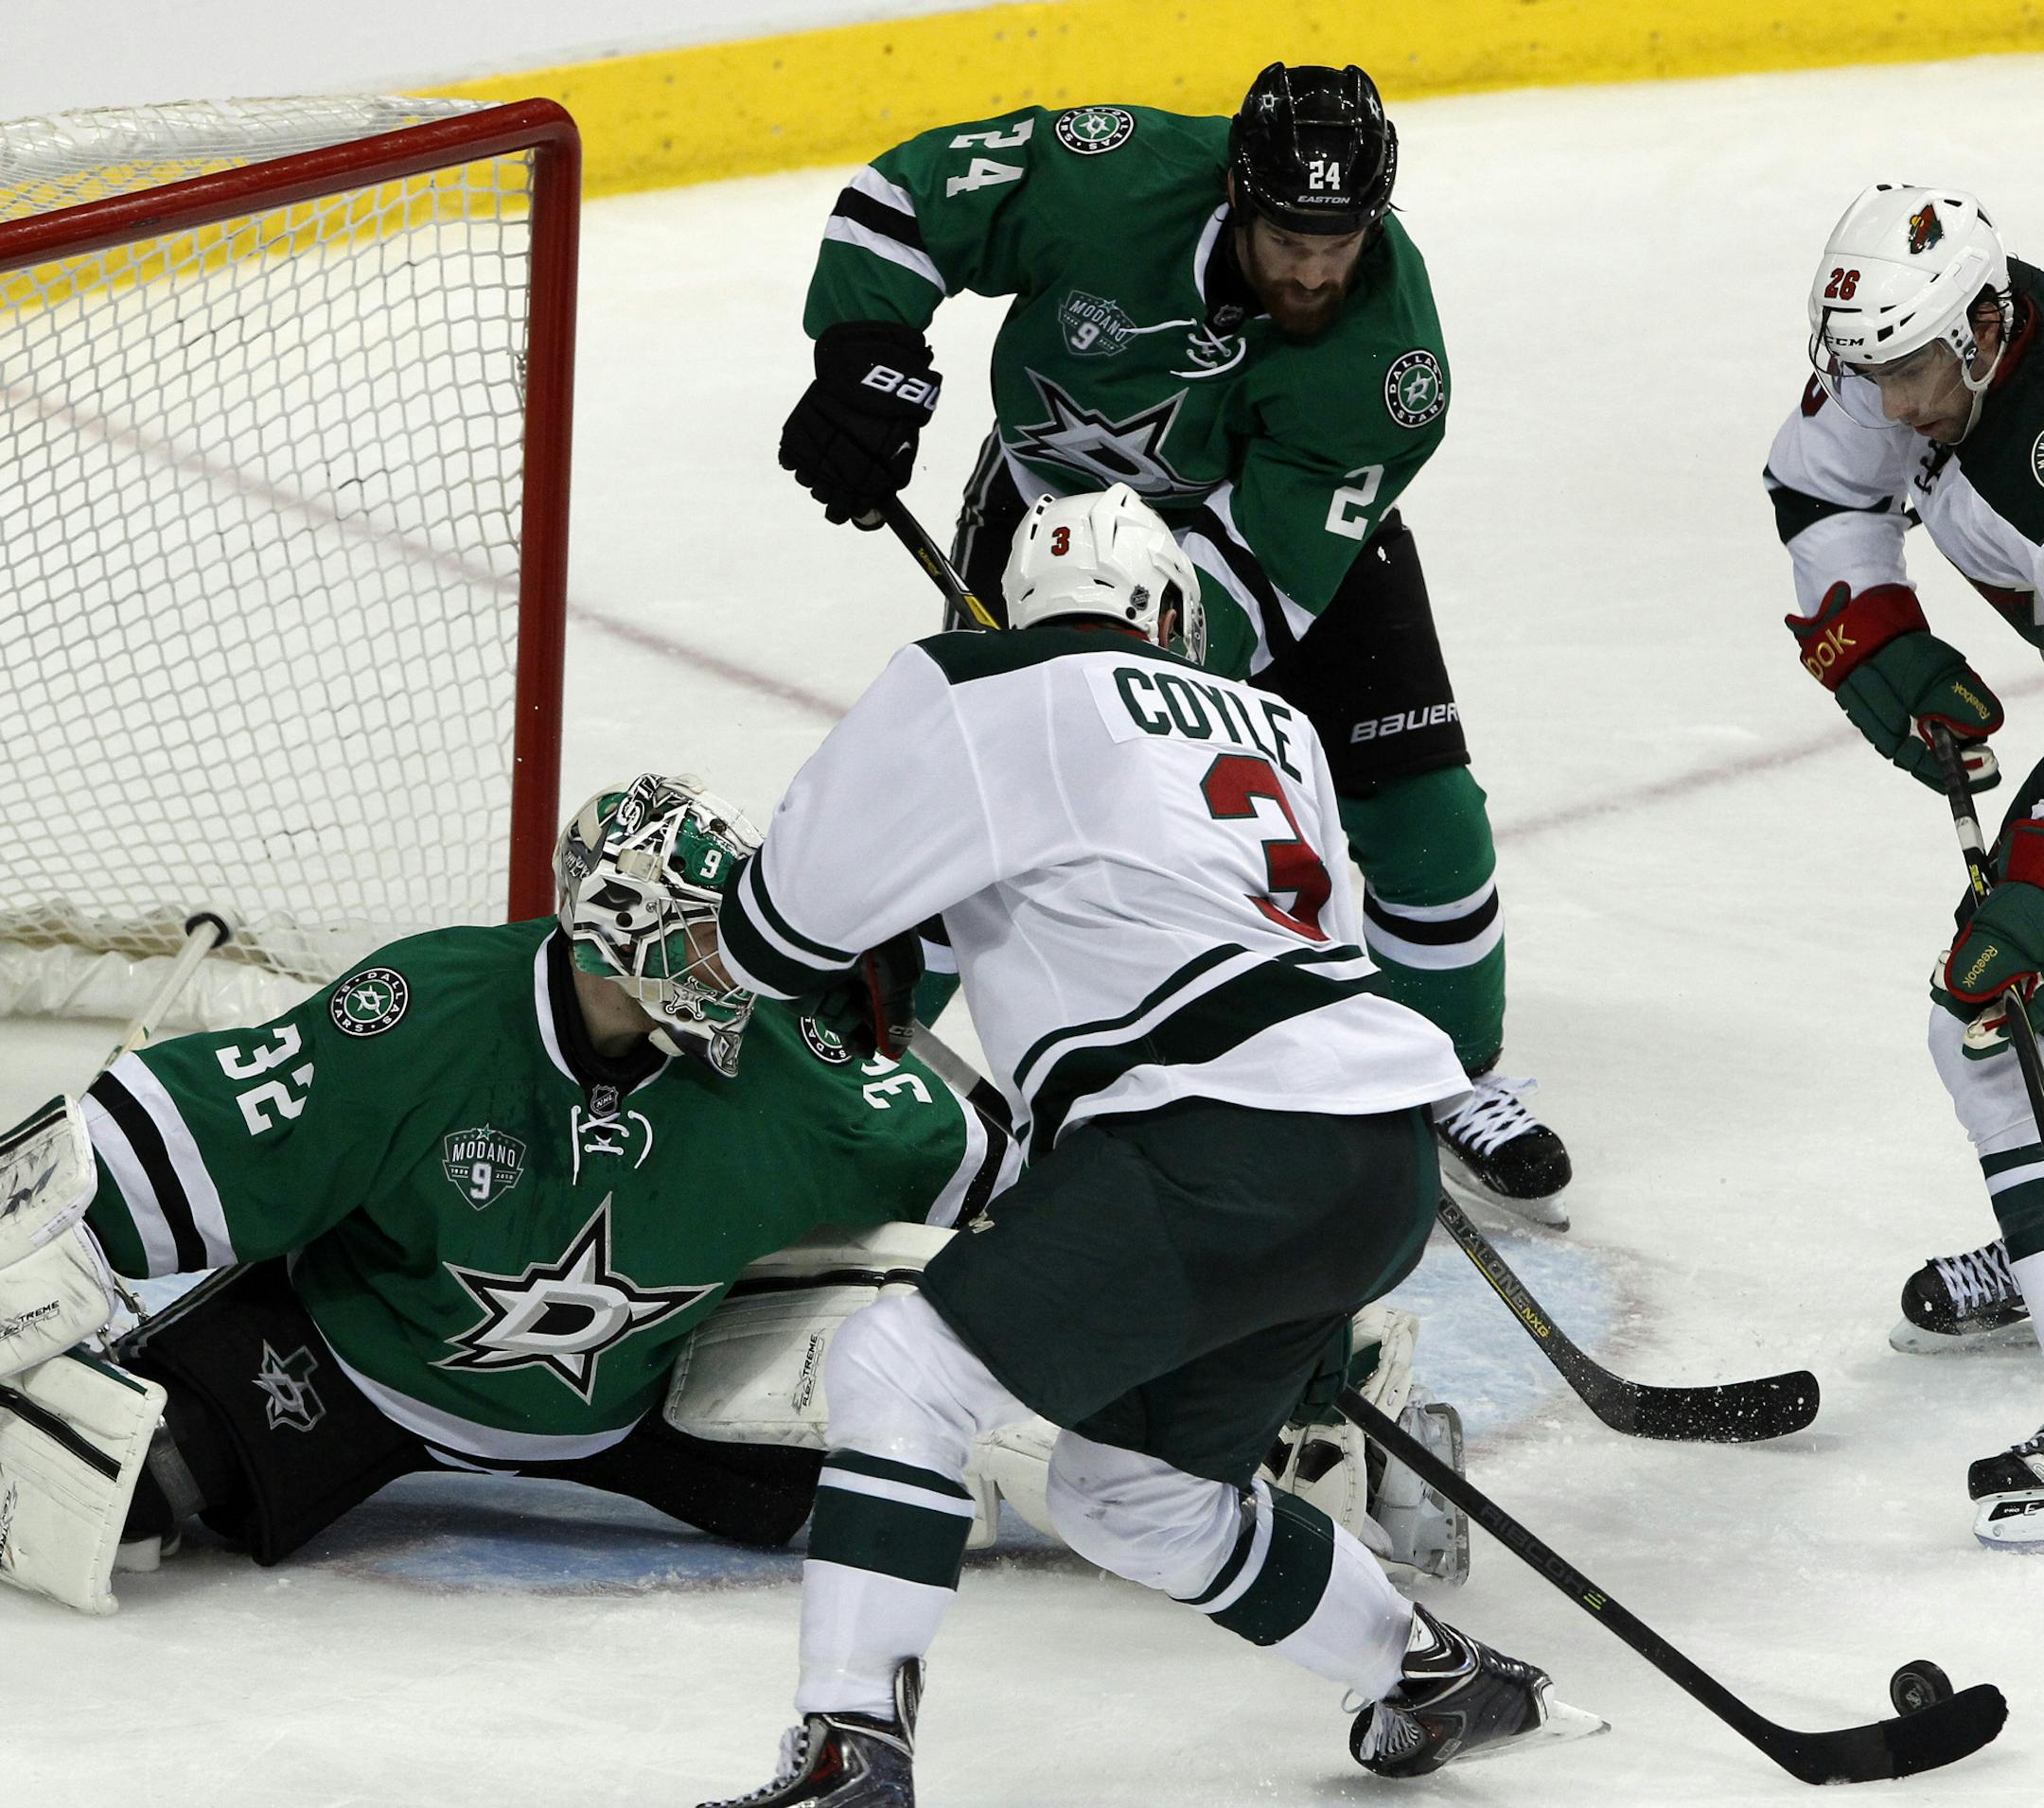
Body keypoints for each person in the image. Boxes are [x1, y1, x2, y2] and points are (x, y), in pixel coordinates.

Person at [698, 484, 1597, 1803]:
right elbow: (1140, 896)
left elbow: (776, 935)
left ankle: (849, 1749)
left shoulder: (975, 675)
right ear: (1174, 617)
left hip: (1210, 1139)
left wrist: (842, 952)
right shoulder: (1276, 723)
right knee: (1134, 1495)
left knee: (900, 1368)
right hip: (1375, 1160)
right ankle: (1428, 1673)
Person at [776, 60, 1574, 1227]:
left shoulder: (1392, 368)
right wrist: (863, 353)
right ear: (1236, 196)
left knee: (1426, 818)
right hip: (1049, 522)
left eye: (1338, 241)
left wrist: (1125, 693)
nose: (1313, 270)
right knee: (979, 801)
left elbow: (1267, 573)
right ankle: (841, 1056)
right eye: (1287, 237)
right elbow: (901, 202)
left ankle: (1447, 1071)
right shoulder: (1108, 174)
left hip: (1274, 547)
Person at [0, 774, 1015, 1614]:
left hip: (652, 1401)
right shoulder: (421, 1015)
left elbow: (1022, 1195)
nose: (737, 970)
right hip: (351, 1365)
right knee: (101, 1496)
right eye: (708, 941)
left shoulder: (794, 1077)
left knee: (922, 1475)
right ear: (621, 930)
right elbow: (140, 1161)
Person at [1766, 181, 2044, 1545]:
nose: (1898, 406)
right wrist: (1874, 642)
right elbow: (1815, 481)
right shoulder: (1918, 363)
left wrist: (2040, 894)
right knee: (2001, 1013)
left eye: (1917, 371)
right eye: (1872, 372)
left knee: (1992, 1014)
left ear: (1988, 329)